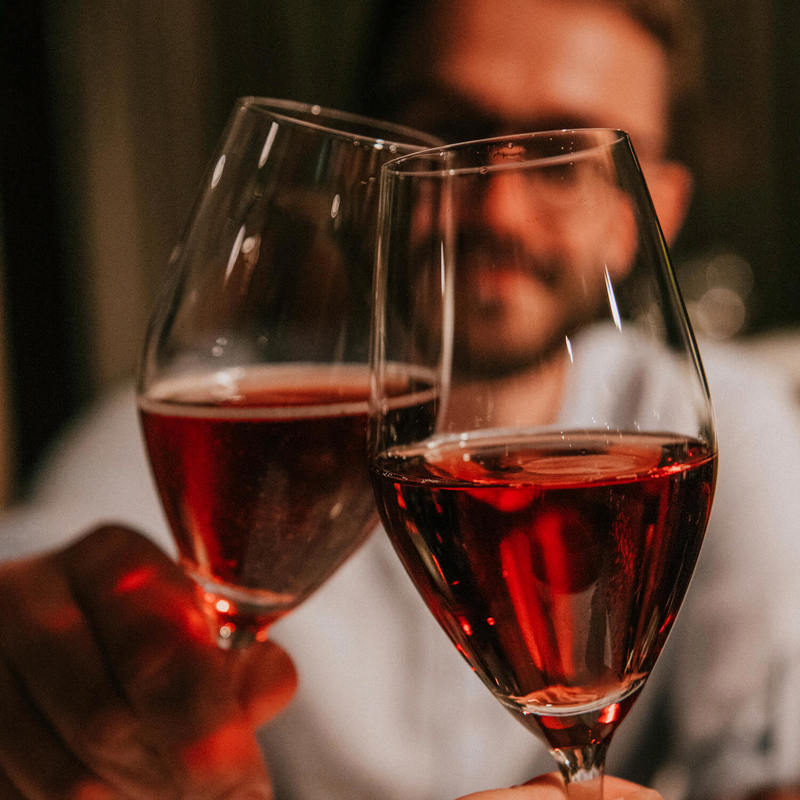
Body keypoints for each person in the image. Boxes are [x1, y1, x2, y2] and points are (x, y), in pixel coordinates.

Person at [1, 0, 800, 798]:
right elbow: (48, 586)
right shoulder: (227, 430)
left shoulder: (713, 423)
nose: (498, 210)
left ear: (647, 211)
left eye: (561, 159)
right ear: (378, 171)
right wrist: (39, 680)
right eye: (447, 132)